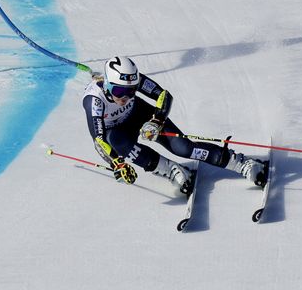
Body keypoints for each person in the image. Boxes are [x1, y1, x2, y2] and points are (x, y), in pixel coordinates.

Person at [82, 56, 268, 194]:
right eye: (119, 91)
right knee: (114, 139)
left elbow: (163, 95)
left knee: (184, 148)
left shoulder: (133, 79)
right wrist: (117, 163)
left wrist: (157, 120)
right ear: (106, 84)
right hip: (119, 133)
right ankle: (169, 169)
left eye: (131, 91)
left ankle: (240, 163)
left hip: (140, 115)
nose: (125, 97)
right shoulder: (94, 101)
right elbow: (98, 140)